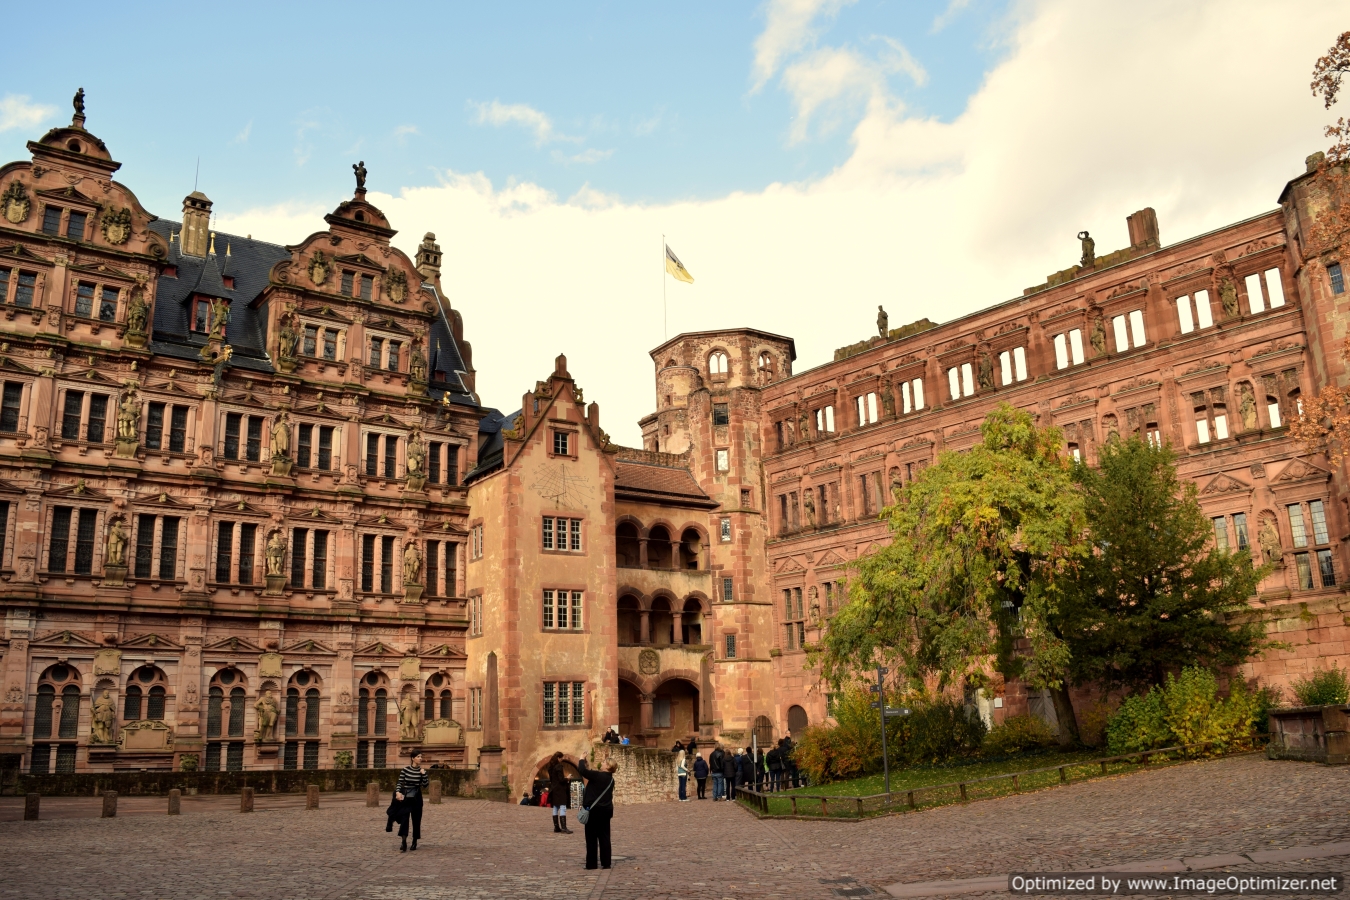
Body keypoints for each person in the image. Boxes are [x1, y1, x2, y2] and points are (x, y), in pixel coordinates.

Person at [576, 758, 618, 870]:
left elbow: (582, 771)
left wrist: (581, 759)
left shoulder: (598, 776)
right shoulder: (610, 779)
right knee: (604, 838)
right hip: (606, 811)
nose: (602, 763)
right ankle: (606, 863)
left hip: (594, 811)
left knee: (591, 839)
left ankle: (591, 864)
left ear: (608, 766)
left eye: (604, 762)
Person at [393, 751, 430, 852]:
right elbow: (400, 782)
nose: (420, 758)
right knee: (404, 819)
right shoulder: (405, 770)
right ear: (412, 758)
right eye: (418, 757)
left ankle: (414, 841)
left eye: (421, 757)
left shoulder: (422, 771)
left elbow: (426, 785)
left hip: (417, 797)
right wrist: (397, 792)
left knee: (416, 820)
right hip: (406, 796)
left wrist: (423, 775)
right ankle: (403, 841)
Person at [547, 751, 573, 833]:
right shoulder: (559, 767)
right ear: (558, 758)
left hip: (554, 789)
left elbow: (553, 779)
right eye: (561, 758)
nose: (562, 759)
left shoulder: (551, 767)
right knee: (562, 807)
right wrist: (568, 778)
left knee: (555, 807)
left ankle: (556, 827)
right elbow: (561, 780)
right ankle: (564, 828)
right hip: (560, 789)